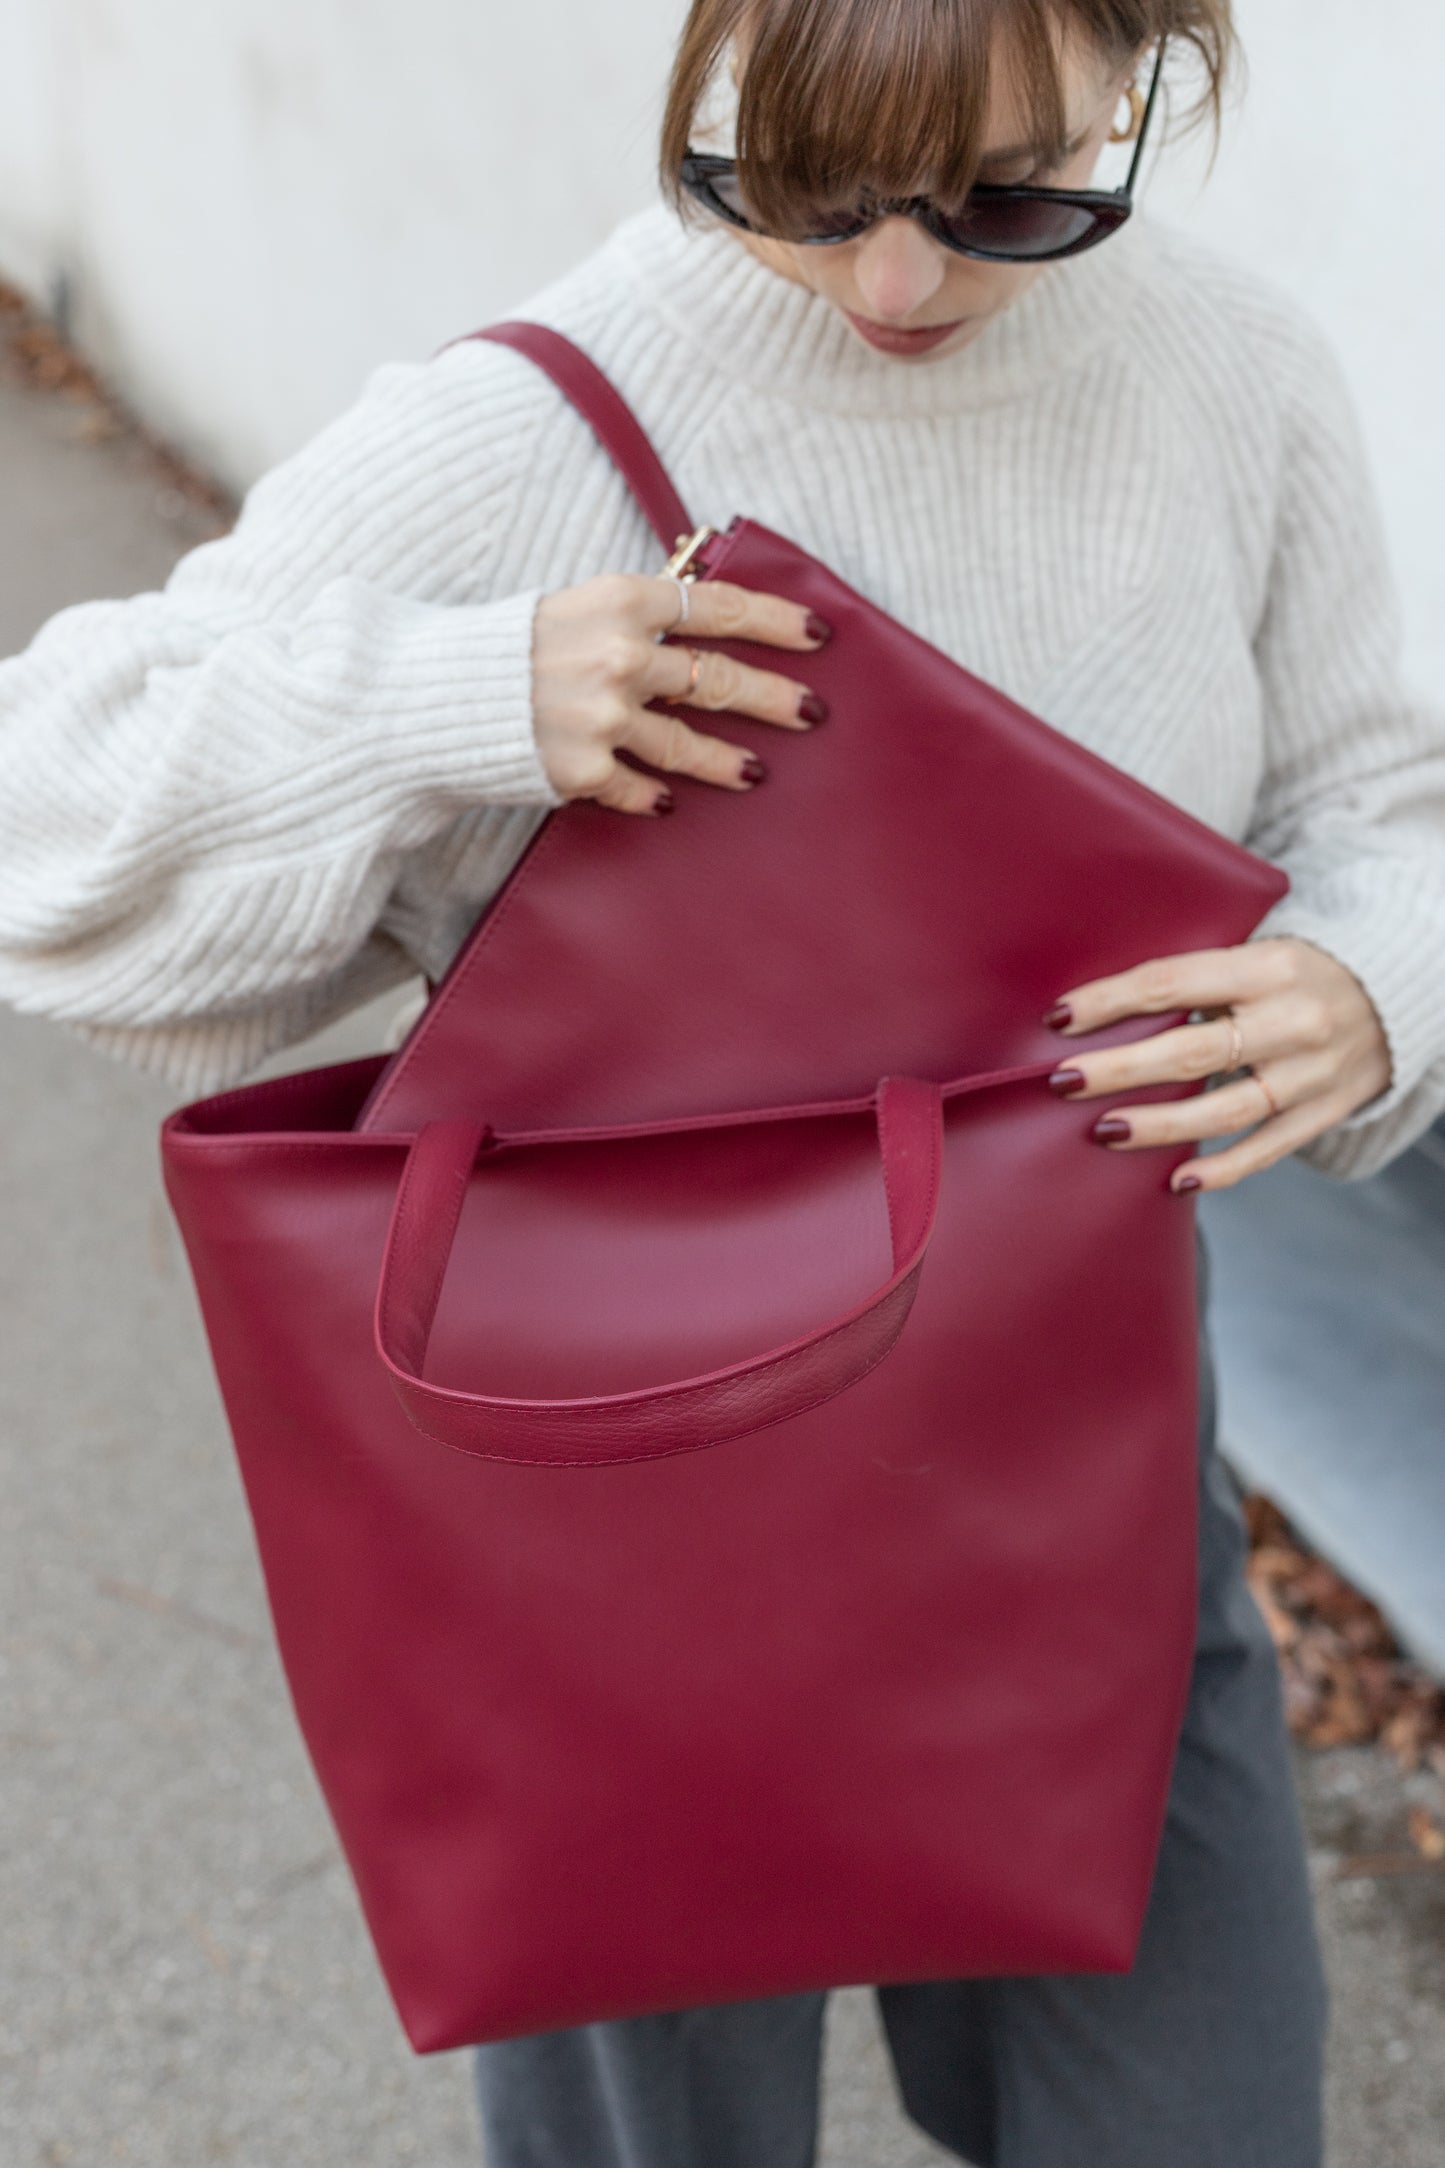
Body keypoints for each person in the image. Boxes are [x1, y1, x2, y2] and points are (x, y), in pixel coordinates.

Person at [2, 0, 1443, 2161]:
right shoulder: (516, 432)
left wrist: (1370, 979)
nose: (897, 283)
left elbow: (1378, 793)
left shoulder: (1228, 375)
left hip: (1082, 1463)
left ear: (1151, 70)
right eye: (794, 180)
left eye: (1010, 190)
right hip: (613, 1495)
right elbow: (49, 814)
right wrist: (462, 694)